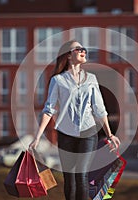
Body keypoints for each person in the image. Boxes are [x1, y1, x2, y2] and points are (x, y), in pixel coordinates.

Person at [29, 40, 121, 200]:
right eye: (78, 49)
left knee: (81, 174)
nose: (83, 51)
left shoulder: (91, 79)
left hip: (88, 132)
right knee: (70, 178)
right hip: (65, 134)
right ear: (69, 56)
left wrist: (109, 134)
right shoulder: (57, 80)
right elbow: (49, 109)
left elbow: (99, 109)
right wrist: (37, 137)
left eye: (84, 49)